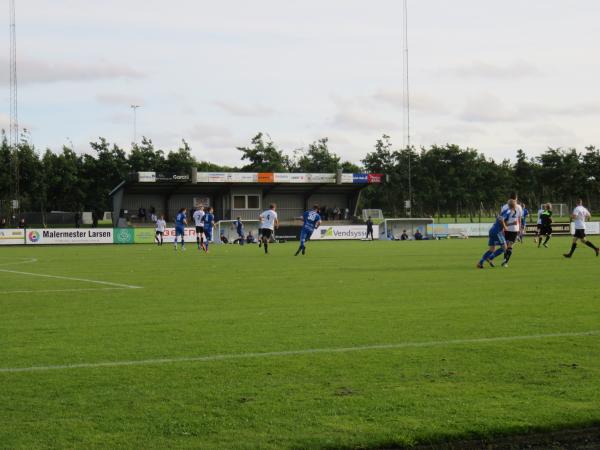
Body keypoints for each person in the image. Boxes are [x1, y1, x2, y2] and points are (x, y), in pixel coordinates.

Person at [477, 199, 514, 269]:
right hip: (497, 232)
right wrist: (505, 227)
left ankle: (480, 263)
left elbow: (502, 220)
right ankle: (490, 258)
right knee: (505, 248)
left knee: (492, 249)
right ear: (514, 205)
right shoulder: (509, 211)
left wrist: (510, 224)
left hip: (492, 230)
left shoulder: (505, 211)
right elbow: (502, 219)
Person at [493, 193, 522, 267]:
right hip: (514, 229)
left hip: (505, 228)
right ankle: (505, 262)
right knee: (510, 246)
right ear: (516, 198)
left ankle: (499, 259)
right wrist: (520, 228)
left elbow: (501, 217)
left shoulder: (504, 206)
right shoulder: (519, 207)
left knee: (505, 246)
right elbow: (519, 218)